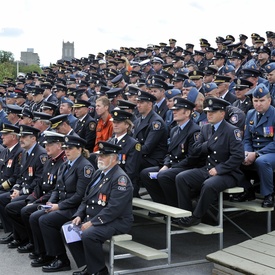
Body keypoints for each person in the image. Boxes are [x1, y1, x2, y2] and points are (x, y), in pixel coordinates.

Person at [65, 141, 133, 275]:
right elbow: (86, 198)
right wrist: (79, 215)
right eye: (98, 156)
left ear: (114, 158)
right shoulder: (98, 173)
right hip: (97, 217)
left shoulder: (120, 179)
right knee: (68, 228)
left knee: (89, 234)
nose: (99, 158)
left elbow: (114, 209)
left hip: (116, 221)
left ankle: (100, 271)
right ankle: (90, 267)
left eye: (103, 156)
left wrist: (92, 222)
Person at [175, 97, 244, 227]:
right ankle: (185, 214)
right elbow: (195, 149)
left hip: (227, 173)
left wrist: (219, 169)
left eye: (213, 112)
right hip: (208, 168)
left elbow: (238, 156)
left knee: (209, 184)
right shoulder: (205, 129)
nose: (209, 114)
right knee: (181, 178)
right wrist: (208, 144)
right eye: (207, 112)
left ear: (222, 113)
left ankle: (196, 216)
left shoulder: (231, 130)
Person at [29, 135, 94, 271]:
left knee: (46, 220)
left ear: (80, 149)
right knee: (35, 216)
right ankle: (46, 253)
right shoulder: (65, 164)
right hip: (62, 204)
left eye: (70, 148)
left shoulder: (84, 167)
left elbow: (80, 195)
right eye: (65, 148)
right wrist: (50, 203)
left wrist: (58, 206)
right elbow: (57, 189)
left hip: (75, 208)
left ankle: (61, 259)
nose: (67, 151)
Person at [5, 131, 66, 255]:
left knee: (29, 213)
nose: (46, 147)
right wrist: (31, 199)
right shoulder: (50, 161)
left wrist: (37, 201)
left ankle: (40, 248)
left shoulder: (62, 163)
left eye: (50, 145)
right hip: (42, 196)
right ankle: (30, 241)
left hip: (52, 200)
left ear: (59, 145)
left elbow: (55, 189)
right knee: (14, 207)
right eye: (46, 144)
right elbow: (39, 183)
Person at [140, 97, 202, 207]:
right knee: (146, 174)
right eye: (173, 110)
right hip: (173, 165)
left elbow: (193, 157)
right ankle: (161, 204)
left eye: (177, 110)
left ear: (187, 112)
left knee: (164, 176)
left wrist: (172, 167)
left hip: (186, 166)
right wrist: (166, 164)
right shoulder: (174, 130)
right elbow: (169, 152)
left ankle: (175, 206)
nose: (174, 112)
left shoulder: (194, 130)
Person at [0, 125, 47, 246]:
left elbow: (38, 181)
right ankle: (18, 235)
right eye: (20, 136)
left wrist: (21, 192)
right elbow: (21, 176)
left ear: (33, 138)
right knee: (8, 200)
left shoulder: (41, 155)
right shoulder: (25, 153)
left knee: (10, 204)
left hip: (34, 192)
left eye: (24, 136)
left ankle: (24, 237)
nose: (21, 139)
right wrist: (16, 188)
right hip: (24, 189)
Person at [231, 84, 275, 207]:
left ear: (269, 100)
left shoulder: (274, 114)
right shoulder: (250, 114)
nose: (258, 104)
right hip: (253, 151)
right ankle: (247, 190)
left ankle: (268, 195)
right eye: (255, 101)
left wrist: (255, 154)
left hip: (270, 153)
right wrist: (246, 153)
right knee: (234, 158)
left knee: (262, 161)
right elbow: (247, 139)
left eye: (262, 100)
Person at [133, 90, 168, 196]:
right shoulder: (138, 120)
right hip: (142, 156)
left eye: (141, 102)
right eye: (138, 102)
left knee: (131, 162)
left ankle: (133, 195)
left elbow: (148, 148)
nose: (138, 105)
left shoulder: (156, 122)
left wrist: (130, 151)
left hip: (153, 159)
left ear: (149, 104)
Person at [108, 109, 141, 193]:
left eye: (118, 123)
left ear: (127, 125)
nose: (115, 125)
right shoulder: (110, 142)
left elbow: (130, 172)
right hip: (110, 182)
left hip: (124, 183)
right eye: (114, 122)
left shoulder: (133, 145)